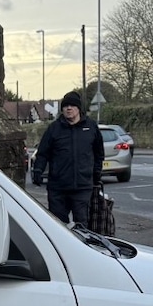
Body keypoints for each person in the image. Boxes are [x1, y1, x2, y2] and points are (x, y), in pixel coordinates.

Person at [31, 91, 104, 225]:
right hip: (58, 188)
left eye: (72, 105)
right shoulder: (54, 129)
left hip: (82, 187)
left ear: (79, 108)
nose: (68, 108)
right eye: (65, 106)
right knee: (58, 225)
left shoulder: (91, 127)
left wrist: (96, 172)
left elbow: (99, 153)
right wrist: (38, 171)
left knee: (81, 226)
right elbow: (43, 153)